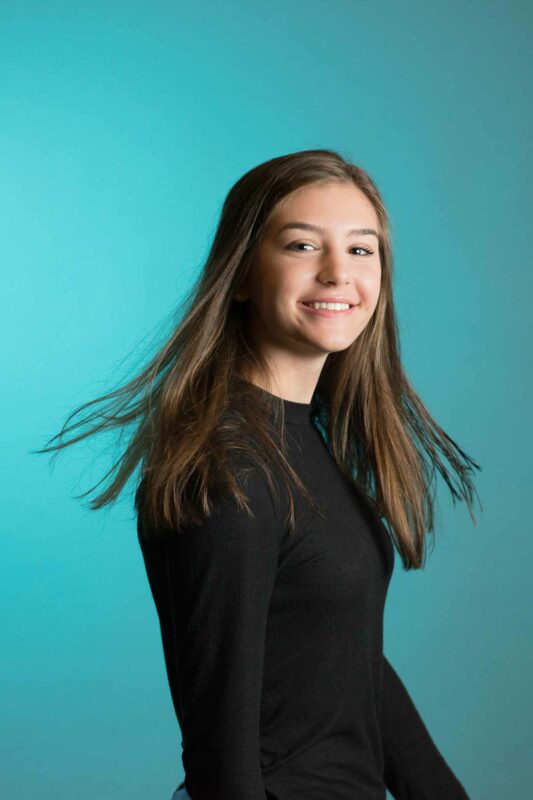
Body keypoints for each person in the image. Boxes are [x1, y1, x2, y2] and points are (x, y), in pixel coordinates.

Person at [37, 149, 481, 799]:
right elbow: (220, 743)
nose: (338, 273)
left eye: (361, 250)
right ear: (242, 272)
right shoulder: (231, 469)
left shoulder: (300, 443)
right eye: (302, 245)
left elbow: (342, 659)